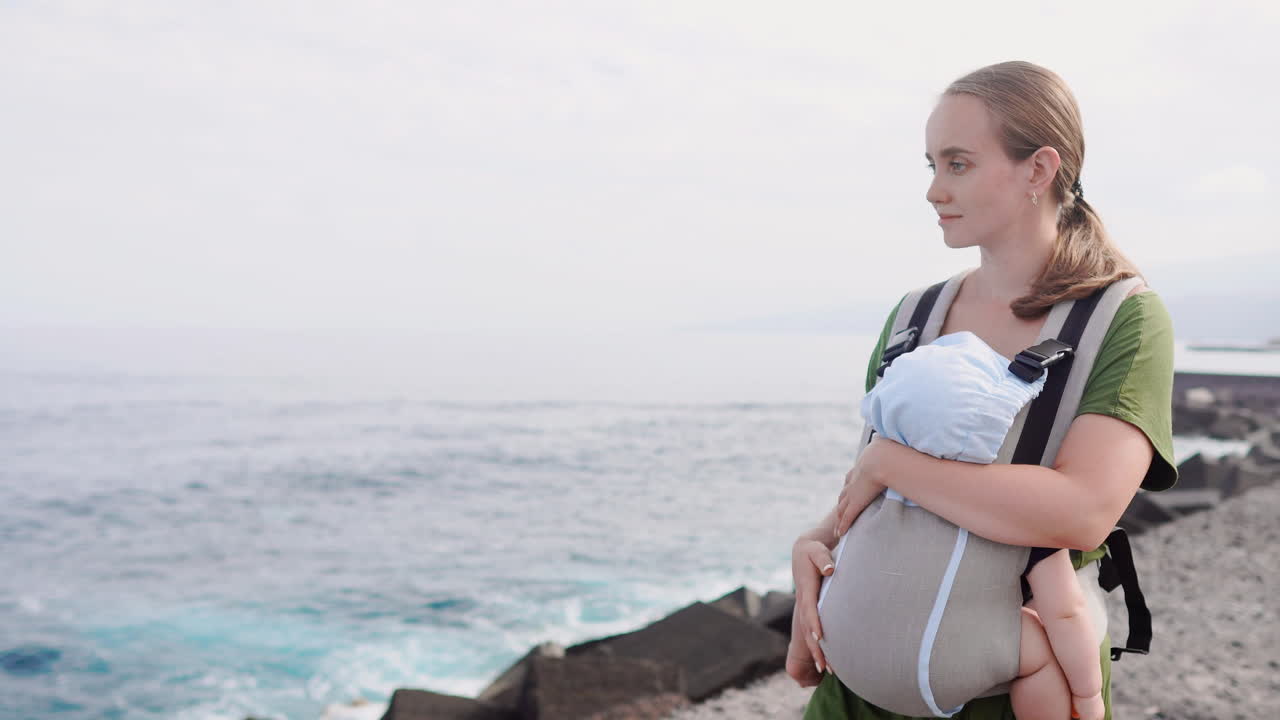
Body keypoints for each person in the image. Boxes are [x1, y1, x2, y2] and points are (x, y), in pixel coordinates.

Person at [786, 60, 1178, 720]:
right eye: (932, 165)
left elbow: (1083, 510)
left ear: (1037, 170)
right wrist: (814, 540)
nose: (935, 189)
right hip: (851, 697)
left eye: (958, 164)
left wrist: (892, 462)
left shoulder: (1124, 320)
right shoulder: (913, 316)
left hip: (1005, 699)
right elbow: (873, 495)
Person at [823, 329, 1104, 720]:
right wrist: (1089, 696)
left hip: (845, 656)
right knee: (1045, 645)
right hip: (932, 674)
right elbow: (1068, 612)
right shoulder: (1011, 512)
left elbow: (839, 543)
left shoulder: (872, 488)